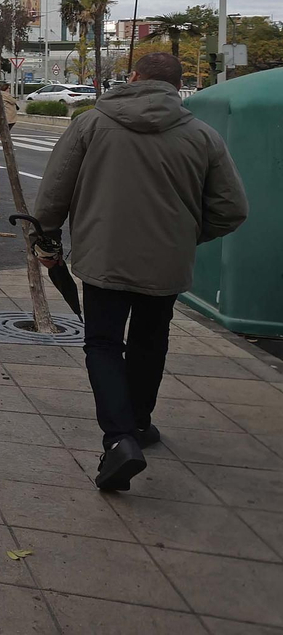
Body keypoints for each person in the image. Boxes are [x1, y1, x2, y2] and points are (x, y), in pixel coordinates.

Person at [34, 52, 248, 492]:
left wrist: (47, 239)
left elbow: (55, 191)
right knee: (151, 342)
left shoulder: (91, 124)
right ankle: (140, 422)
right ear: (177, 86)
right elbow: (231, 209)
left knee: (103, 343)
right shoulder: (202, 136)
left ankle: (118, 439)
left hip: (104, 258)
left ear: (133, 78)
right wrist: (186, 236)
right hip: (166, 264)